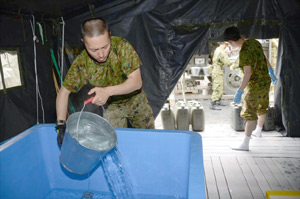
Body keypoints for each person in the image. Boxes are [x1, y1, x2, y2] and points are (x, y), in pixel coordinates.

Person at [55, 18, 155, 147]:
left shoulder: (121, 46)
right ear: (83, 42)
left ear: (109, 35)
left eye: (105, 46)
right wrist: (60, 125)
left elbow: (136, 82)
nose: (101, 54)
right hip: (113, 105)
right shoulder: (82, 64)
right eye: (94, 50)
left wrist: (107, 91)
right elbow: (63, 92)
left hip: (137, 100)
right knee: (112, 144)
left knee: (149, 140)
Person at [222, 26, 277, 151]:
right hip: (265, 81)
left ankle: (245, 144)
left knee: (249, 113)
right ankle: (258, 130)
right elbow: (265, 58)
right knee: (262, 106)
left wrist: (240, 90)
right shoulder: (254, 42)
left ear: (230, 42)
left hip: (254, 84)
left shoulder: (244, 53)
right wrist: (270, 71)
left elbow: (248, 73)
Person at [209, 42, 231, 110]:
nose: (227, 47)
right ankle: (213, 103)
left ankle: (218, 101)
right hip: (218, 71)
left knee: (221, 86)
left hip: (217, 71)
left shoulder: (218, 49)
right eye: (227, 45)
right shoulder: (221, 52)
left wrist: (227, 53)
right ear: (224, 44)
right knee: (217, 87)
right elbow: (227, 62)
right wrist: (236, 62)